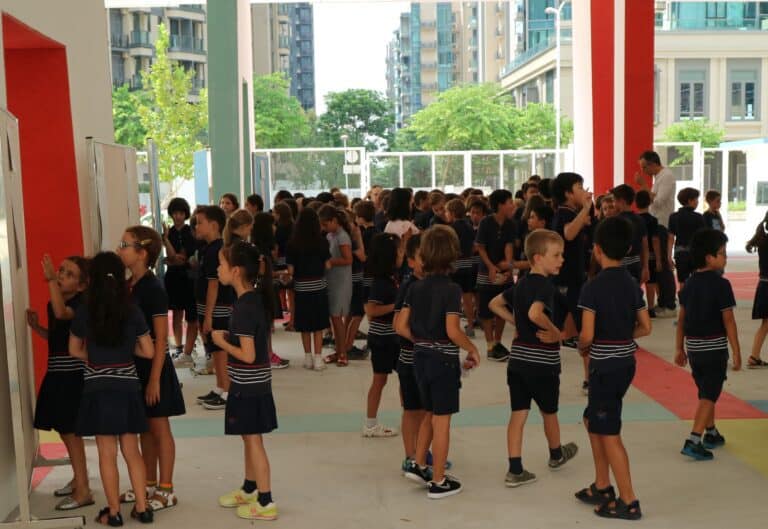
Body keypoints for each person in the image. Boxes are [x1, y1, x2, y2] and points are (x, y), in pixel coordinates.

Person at [69, 252, 155, 525]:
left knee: (107, 453)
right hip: (127, 387)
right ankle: (143, 508)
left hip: (98, 387)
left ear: (91, 279)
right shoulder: (132, 309)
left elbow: (74, 349)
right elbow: (149, 351)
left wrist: (97, 358)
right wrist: (125, 353)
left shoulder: (85, 311)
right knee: (132, 450)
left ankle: (114, 513)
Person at [575, 216, 651, 521]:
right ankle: (602, 485)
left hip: (604, 367)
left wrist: (581, 345)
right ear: (629, 249)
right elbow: (645, 327)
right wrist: (622, 336)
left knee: (608, 432)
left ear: (596, 249)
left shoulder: (592, 288)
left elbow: (587, 335)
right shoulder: (632, 284)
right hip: (625, 364)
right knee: (592, 419)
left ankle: (628, 500)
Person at [396, 226, 480, 499]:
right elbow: (453, 330)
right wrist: (471, 348)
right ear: (452, 254)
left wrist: (421, 340)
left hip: (419, 359)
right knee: (442, 421)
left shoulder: (414, 287)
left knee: (429, 414)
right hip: (443, 362)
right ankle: (439, 480)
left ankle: (419, 464)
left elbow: (400, 325)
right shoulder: (452, 290)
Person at [489, 230, 578, 488]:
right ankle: (556, 454)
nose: (562, 259)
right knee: (549, 412)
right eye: (556, 255)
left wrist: (514, 321)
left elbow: (495, 304)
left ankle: (515, 469)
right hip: (543, 363)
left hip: (518, 361)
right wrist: (556, 332)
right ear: (538, 258)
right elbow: (535, 313)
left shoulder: (521, 284)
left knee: (518, 414)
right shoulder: (545, 286)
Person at [118, 226, 186, 511]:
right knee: (143, 427)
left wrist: (155, 379)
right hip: (135, 367)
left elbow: (160, 338)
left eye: (125, 245)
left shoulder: (154, 288)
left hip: (154, 367)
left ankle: (166, 488)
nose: (120, 249)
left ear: (142, 253)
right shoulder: (127, 285)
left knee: (159, 428)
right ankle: (147, 482)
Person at [213, 242, 278, 521]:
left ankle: (265, 501)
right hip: (251, 384)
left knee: (253, 440)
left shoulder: (244, 307)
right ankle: (250, 487)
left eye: (221, 264)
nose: (218, 269)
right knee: (248, 437)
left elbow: (248, 355)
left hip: (249, 386)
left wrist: (221, 343)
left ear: (236, 271)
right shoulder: (251, 301)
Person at [27, 254, 91, 511]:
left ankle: (84, 489)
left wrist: (51, 280)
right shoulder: (53, 304)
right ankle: (78, 480)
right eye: (61, 271)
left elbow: (62, 313)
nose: (61, 276)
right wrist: (37, 328)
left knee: (71, 432)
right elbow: (56, 337)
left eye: (69, 274)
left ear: (82, 286)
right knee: (65, 432)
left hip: (72, 376)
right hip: (57, 373)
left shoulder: (79, 304)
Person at [676, 229, 741, 460]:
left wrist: (679, 348)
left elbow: (681, 320)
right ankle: (694, 439)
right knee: (709, 395)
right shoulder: (722, 285)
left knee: (706, 390)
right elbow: (729, 321)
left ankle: (711, 432)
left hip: (694, 350)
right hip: (714, 350)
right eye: (722, 253)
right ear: (709, 257)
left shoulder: (688, 285)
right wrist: (736, 351)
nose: (725, 258)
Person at [551, 172, 593, 394]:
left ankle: (589, 378)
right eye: (579, 186)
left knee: (582, 331)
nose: (584, 190)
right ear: (568, 193)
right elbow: (568, 234)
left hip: (575, 280)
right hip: (565, 283)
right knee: (575, 330)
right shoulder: (564, 213)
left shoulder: (573, 213)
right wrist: (585, 210)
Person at [193, 206, 236, 411]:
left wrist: (208, 315)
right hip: (206, 306)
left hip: (217, 308)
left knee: (220, 349)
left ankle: (227, 391)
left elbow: (214, 284)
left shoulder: (216, 250)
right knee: (213, 349)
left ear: (214, 225)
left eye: (199, 222)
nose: (196, 226)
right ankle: (220, 386)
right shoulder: (206, 248)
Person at [363, 233, 402, 437]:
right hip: (382, 339)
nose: (401, 255)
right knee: (380, 380)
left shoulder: (392, 278)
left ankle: (409, 416)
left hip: (393, 337)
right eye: (398, 251)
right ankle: (370, 424)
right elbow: (371, 311)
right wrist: (397, 306)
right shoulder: (380, 282)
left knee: (405, 378)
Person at [475, 189, 517, 361]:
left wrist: (508, 266)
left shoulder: (510, 224)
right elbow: (480, 247)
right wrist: (491, 267)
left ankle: (498, 342)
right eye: (509, 202)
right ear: (500, 205)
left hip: (503, 271)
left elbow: (509, 245)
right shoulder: (486, 222)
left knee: (502, 306)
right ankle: (490, 344)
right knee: (486, 310)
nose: (512, 205)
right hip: (486, 270)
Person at [287, 208, 331, 371]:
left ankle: (307, 358)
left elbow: (291, 271)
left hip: (301, 288)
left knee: (304, 324)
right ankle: (318, 359)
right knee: (318, 325)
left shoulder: (292, 243)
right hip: (319, 286)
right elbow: (328, 265)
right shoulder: (322, 241)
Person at [161, 198, 197, 363]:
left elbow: (181, 258)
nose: (178, 216)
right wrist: (167, 240)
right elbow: (172, 257)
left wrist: (175, 259)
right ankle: (178, 347)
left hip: (188, 277)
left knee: (191, 315)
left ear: (185, 214)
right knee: (176, 313)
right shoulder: (168, 233)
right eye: (175, 213)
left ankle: (189, 347)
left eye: (181, 213)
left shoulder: (191, 231)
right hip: (173, 277)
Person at [318, 204, 354, 366]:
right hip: (332, 280)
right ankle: (339, 350)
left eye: (325, 224)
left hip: (341, 282)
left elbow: (348, 259)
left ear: (334, 220)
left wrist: (329, 261)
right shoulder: (330, 235)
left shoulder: (342, 236)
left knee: (337, 318)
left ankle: (343, 352)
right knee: (334, 318)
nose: (323, 228)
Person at [445, 199, 476, 338]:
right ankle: (470, 325)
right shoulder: (469, 226)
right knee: (468, 298)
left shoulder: (451, 228)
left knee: (454, 299)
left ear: (452, 213)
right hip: (468, 265)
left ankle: (454, 326)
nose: (446, 214)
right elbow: (474, 245)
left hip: (455, 266)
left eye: (447, 212)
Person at [610, 184, 649, 285]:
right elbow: (645, 245)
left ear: (621, 201)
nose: (613, 204)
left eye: (614, 201)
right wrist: (646, 267)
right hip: (636, 264)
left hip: (618, 265)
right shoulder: (639, 219)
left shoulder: (615, 221)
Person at [668, 188, 706, 290]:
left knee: (682, 281)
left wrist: (669, 256)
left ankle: (683, 299)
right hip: (695, 252)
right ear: (690, 200)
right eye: (696, 199)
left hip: (680, 252)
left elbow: (671, 238)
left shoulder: (673, 217)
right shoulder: (698, 217)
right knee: (696, 279)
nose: (697, 202)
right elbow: (703, 238)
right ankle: (694, 298)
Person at [635, 191, 663, 317]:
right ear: (650, 202)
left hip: (636, 255)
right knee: (651, 281)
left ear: (635, 203)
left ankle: (636, 307)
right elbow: (655, 240)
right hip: (650, 254)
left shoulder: (634, 219)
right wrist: (658, 259)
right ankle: (650, 308)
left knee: (636, 281)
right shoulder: (653, 220)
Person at [746, 211, 768, 368]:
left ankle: (754, 356)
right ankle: (754, 356)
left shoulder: (763, 239)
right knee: (766, 324)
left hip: (764, 285)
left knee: (765, 324)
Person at [635, 150, 675, 228]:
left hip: (662, 223)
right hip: (656, 220)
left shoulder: (667, 176)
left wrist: (643, 185)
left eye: (644, 167)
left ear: (653, 164)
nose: (642, 171)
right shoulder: (658, 176)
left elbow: (658, 202)